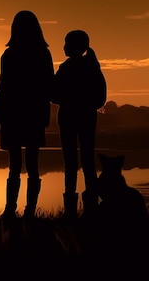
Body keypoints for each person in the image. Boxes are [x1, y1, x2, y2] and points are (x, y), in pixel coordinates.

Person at [0, 10, 54, 220]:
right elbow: (48, 86)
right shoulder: (42, 54)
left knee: (15, 165)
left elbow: (3, 87)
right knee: (32, 164)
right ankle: (28, 210)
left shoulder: (9, 55)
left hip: (14, 113)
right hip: (32, 113)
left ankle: (12, 209)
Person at [51, 30, 107, 219]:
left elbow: (53, 94)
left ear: (73, 46)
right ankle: (91, 210)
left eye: (66, 43)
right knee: (87, 162)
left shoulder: (66, 68)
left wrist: (67, 99)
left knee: (71, 164)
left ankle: (70, 213)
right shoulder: (92, 67)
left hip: (68, 117)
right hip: (86, 117)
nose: (64, 46)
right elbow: (100, 98)